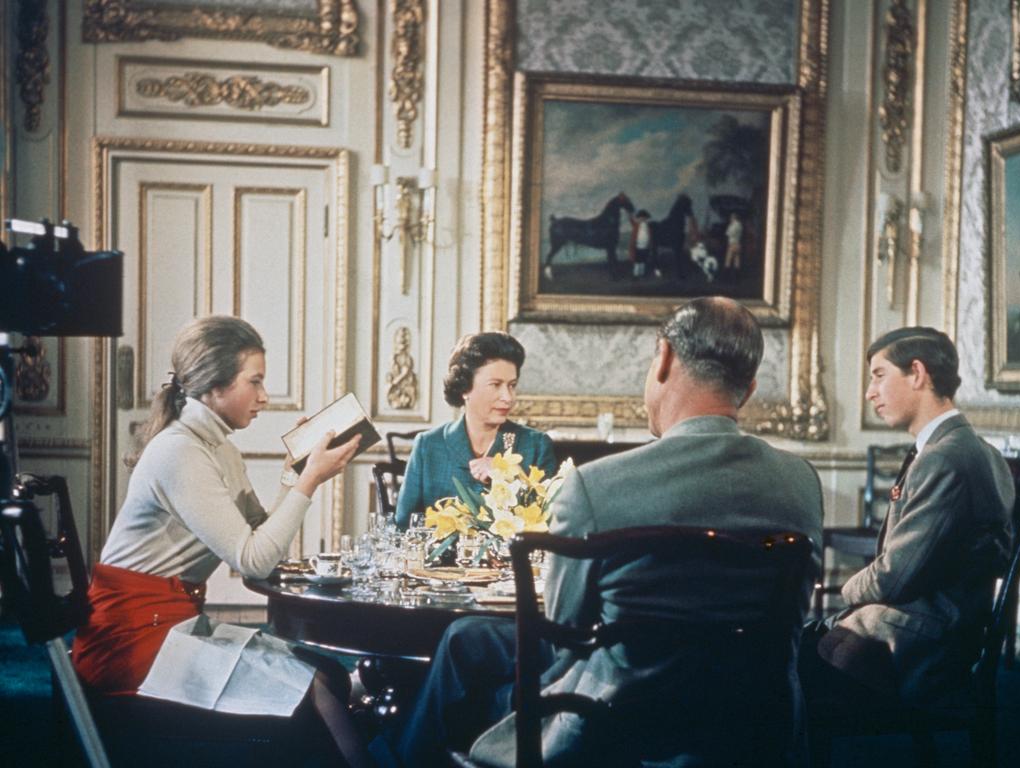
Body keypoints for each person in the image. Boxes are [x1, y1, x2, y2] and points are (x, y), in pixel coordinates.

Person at [377, 297, 824, 767]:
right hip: (755, 728)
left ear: (665, 358)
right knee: (469, 640)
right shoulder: (800, 483)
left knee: (467, 652)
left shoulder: (595, 486)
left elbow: (565, 637)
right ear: (749, 389)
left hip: (617, 728)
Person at [71, 315, 373, 768]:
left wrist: (296, 472)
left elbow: (261, 541)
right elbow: (253, 560)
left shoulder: (218, 448)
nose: (265, 397)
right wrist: (309, 482)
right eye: (255, 382)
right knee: (309, 691)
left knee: (326, 673)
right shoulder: (180, 451)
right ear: (213, 388)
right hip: (130, 643)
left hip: (168, 625)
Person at [801, 327, 1015, 722]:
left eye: (879, 375)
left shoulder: (946, 456)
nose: (870, 392)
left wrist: (840, 591)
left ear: (917, 373)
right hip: (938, 633)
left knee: (772, 678)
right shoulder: (978, 450)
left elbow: (894, 578)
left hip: (922, 650)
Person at [394, 332, 556, 530]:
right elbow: (402, 526)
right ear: (464, 388)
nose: (508, 397)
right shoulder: (428, 445)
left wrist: (509, 476)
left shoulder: (536, 445)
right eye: (495, 385)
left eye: (512, 385)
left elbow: (550, 525)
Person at [628, 208, 654, 278]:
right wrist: (630, 214)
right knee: (637, 261)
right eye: (641, 217)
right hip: (637, 246)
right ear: (639, 218)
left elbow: (650, 236)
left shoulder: (648, 226)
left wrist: (649, 244)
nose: (642, 219)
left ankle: (642, 274)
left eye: (644, 218)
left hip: (645, 246)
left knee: (643, 261)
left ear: (646, 218)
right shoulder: (636, 225)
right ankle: (636, 275)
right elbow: (631, 220)